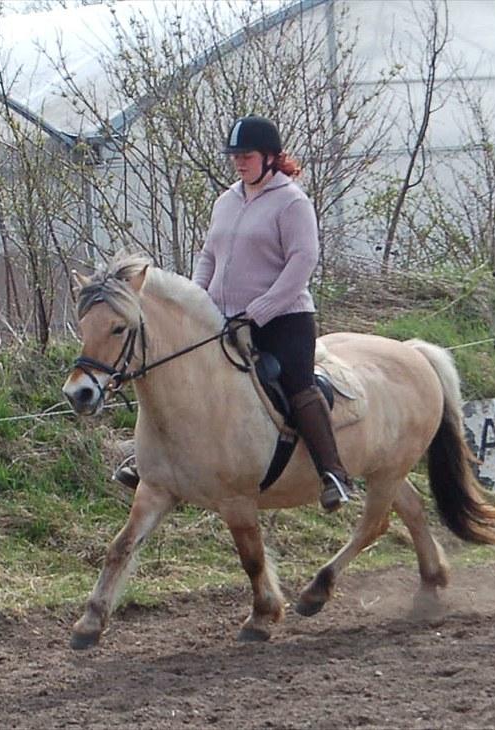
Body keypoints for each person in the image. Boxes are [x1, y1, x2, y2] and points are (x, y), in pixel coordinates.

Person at [191, 114, 353, 512]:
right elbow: (209, 255)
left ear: (269, 158)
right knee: (189, 381)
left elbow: (302, 261)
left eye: (246, 155)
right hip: (225, 318)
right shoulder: (226, 201)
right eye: (235, 156)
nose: (239, 162)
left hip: (284, 320)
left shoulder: (292, 202)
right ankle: (159, 463)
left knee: (297, 387)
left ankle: (333, 473)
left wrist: (260, 310)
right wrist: (196, 299)